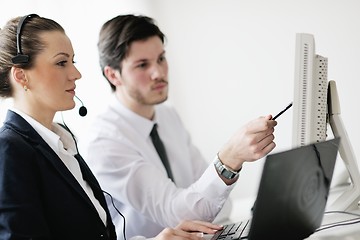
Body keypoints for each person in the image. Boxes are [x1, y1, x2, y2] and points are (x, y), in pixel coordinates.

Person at [0, 14, 222, 240]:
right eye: (61, 63)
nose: (76, 74)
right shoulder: (9, 150)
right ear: (21, 76)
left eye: (72, 62)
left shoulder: (61, 141)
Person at [83, 14, 277, 239]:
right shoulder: (104, 142)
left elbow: (220, 206)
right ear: (113, 75)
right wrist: (230, 158)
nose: (158, 73)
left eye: (161, 59)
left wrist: (219, 178)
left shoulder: (166, 115)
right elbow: (178, 216)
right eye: (142, 65)